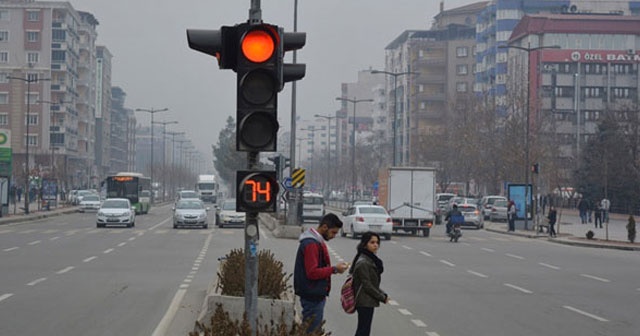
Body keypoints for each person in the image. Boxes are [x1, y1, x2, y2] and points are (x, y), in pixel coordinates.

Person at [294, 213, 349, 333]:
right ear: (324, 227)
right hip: (312, 296)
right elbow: (312, 272)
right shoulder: (312, 244)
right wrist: (334, 269)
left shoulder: (315, 241)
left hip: (313, 294)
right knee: (312, 331)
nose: (334, 236)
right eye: (333, 232)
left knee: (311, 329)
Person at [350, 231, 389, 336]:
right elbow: (367, 285)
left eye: (377, 242)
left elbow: (372, 283)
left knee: (364, 329)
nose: (375, 245)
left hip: (367, 300)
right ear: (365, 244)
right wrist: (382, 297)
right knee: (363, 330)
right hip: (364, 301)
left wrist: (383, 294)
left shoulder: (370, 259)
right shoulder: (364, 262)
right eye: (372, 242)